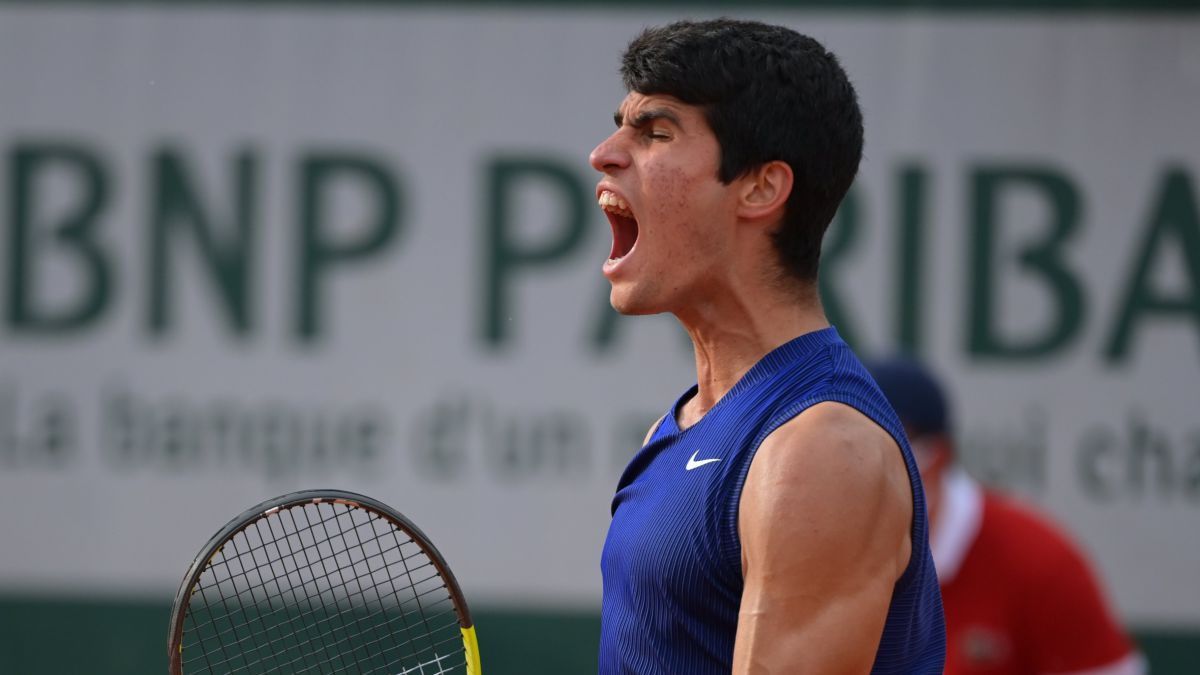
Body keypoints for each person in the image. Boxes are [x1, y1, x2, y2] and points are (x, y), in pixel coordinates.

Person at [589, 19, 945, 674]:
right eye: (621, 126)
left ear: (760, 187)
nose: (605, 153)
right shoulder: (676, 428)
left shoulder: (821, 452)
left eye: (656, 133)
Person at [867, 357, 1144, 675]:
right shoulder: (816, 548)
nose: (865, 467)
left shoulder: (1038, 560)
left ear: (939, 455)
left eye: (887, 443)